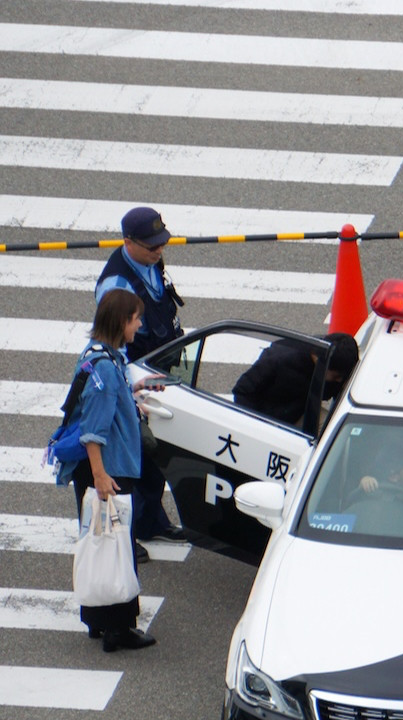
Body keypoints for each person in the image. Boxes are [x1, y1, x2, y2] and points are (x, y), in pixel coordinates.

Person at [67, 289, 162, 652]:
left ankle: (98, 622)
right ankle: (119, 630)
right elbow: (93, 430)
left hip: (99, 470)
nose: (139, 324)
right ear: (123, 321)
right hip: (109, 470)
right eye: (136, 318)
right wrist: (101, 476)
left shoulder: (98, 355)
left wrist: (131, 390)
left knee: (98, 540)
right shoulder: (106, 366)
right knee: (116, 545)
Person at [95, 206, 187, 557]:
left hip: (158, 372)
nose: (158, 250)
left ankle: (151, 521)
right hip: (132, 379)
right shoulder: (116, 286)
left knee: (155, 452)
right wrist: (126, 390)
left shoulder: (150, 263)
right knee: (129, 459)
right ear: (128, 242)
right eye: (151, 245)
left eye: (161, 243)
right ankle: (124, 536)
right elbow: (112, 345)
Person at [232, 333, 359, 426]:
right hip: (267, 417)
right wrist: (255, 425)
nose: (339, 381)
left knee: (335, 431)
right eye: (337, 376)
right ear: (324, 365)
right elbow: (243, 390)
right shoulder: (279, 359)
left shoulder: (329, 354)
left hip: (300, 409)